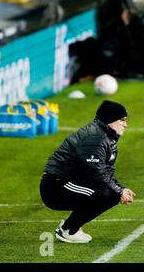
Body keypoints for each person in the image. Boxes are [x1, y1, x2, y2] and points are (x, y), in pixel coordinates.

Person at [40, 100, 136, 243]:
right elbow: (95, 171)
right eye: (121, 120)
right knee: (103, 194)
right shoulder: (95, 138)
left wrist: (120, 189)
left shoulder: (107, 136)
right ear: (110, 120)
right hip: (56, 186)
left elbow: (105, 171)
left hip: (70, 181)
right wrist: (119, 190)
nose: (125, 124)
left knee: (111, 194)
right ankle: (68, 230)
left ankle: (70, 227)